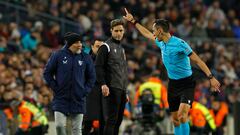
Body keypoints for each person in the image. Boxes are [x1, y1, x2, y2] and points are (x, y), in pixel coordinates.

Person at [123, 8, 220, 135]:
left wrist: (211, 77)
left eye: (154, 30)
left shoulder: (180, 44)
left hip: (187, 84)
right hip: (173, 84)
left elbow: (198, 61)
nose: (153, 32)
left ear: (160, 30)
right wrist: (133, 21)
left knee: (182, 115)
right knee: (175, 120)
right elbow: (146, 34)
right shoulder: (160, 42)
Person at [43, 32, 96, 135]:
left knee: (77, 130)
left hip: (78, 98)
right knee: (59, 126)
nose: (80, 44)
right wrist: (55, 87)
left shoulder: (85, 57)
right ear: (70, 44)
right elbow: (47, 73)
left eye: (81, 42)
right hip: (61, 97)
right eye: (77, 42)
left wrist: (84, 91)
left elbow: (92, 77)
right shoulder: (57, 55)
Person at [95, 19, 129, 135]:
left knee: (118, 121)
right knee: (111, 120)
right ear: (111, 31)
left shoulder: (122, 49)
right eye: (116, 31)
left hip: (121, 89)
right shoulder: (105, 47)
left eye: (121, 30)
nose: (119, 33)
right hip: (111, 88)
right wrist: (103, 84)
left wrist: (126, 91)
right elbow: (98, 67)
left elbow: (123, 71)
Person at [83, 40, 103, 135]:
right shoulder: (85, 60)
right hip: (88, 98)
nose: (99, 49)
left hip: (103, 98)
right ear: (92, 47)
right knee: (86, 127)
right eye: (97, 46)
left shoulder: (109, 62)